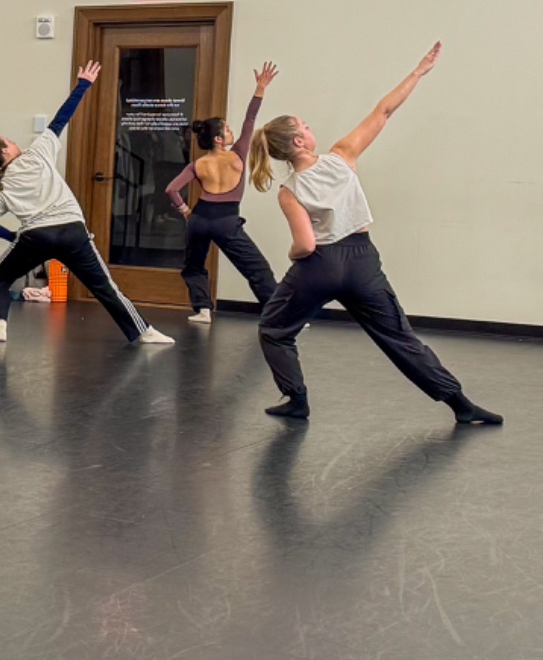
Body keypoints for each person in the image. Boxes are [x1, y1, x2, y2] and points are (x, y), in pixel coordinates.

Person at [250, 45, 499, 425]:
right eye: (304, 126)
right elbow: (383, 111)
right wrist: (417, 73)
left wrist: (294, 256)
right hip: (362, 260)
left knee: (274, 329)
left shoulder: (289, 190)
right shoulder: (342, 156)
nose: (309, 127)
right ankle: (461, 406)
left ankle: (297, 399)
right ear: (298, 143)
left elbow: (305, 245)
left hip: (319, 266)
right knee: (400, 338)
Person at [0, 62, 174, 347]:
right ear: (5, 150)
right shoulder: (36, 154)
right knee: (105, 287)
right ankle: (144, 332)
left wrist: (13, 236)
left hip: (37, 237)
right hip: (72, 232)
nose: (15, 141)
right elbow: (61, 119)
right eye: (10, 140)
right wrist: (84, 84)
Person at [167, 63, 281, 323]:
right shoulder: (238, 153)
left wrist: (186, 212)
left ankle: (202, 310)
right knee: (256, 268)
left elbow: (171, 189)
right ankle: (278, 315)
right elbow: (250, 119)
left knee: (194, 266)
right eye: (227, 130)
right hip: (226, 221)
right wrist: (260, 88)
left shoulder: (198, 164)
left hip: (199, 218)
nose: (231, 132)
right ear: (218, 139)